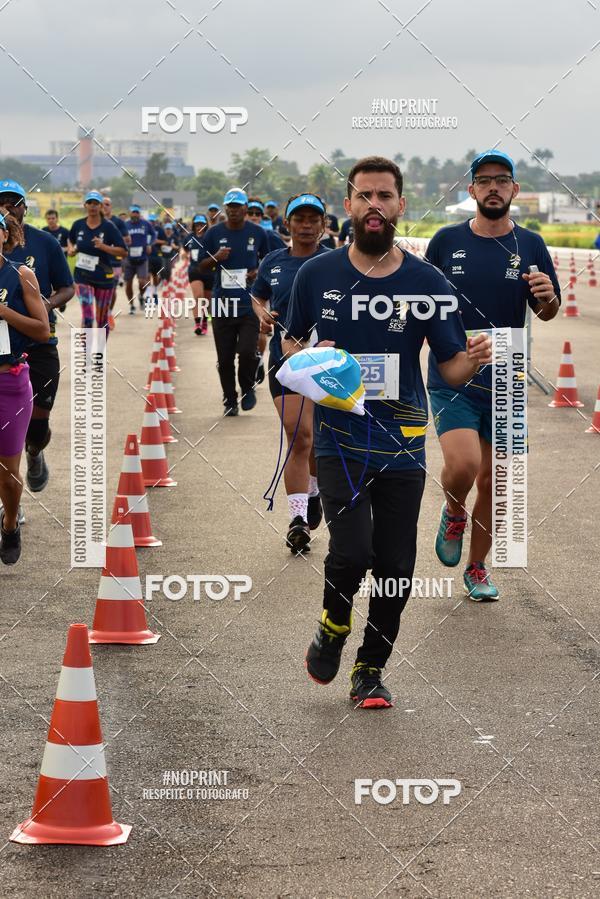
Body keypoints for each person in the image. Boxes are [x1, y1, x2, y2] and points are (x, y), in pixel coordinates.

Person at [282, 156, 492, 709]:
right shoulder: (316, 275)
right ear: (348, 205)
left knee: (397, 566)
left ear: (401, 205)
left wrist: (471, 360)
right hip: (340, 441)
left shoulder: (427, 282)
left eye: (384, 196)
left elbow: (449, 368)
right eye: (364, 195)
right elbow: (289, 343)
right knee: (352, 552)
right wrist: (311, 358)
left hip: (404, 443)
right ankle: (333, 624)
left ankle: (370, 669)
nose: (374, 205)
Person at [426, 149, 560, 601]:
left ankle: (477, 567)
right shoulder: (445, 241)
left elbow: (547, 311)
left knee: (498, 483)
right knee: (464, 465)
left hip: (507, 376)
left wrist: (547, 296)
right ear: (472, 190)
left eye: (502, 180)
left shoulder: (532, 244)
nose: (493, 187)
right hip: (453, 371)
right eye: (484, 180)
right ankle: (453, 511)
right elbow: (425, 307)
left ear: (514, 189)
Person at [252, 194, 329, 553]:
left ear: (324, 224)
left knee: (317, 440)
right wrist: (262, 315)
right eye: (300, 218)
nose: (306, 225)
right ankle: (297, 521)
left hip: (328, 362)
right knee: (299, 437)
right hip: (285, 360)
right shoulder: (273, 261)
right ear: (288, 223)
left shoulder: (336, 262)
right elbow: (258, 296)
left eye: (314, 219)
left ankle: (313, 490)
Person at [0, 179, 74, 500]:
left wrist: (45, 306)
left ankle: (34, 450)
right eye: (2, 201)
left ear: (25, 208)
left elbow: (67, 287)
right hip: (5, 353)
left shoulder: (45, 243)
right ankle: (10, 501)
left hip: (40, 344)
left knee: (38, 426)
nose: (8, 207)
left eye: (14, 202)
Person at [0, 207, 49, 562]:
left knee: (7, 473)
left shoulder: (21, 274)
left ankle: (10, 521)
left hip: (9, 383)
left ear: (5, 234)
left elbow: (42, 330)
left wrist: (5, 313)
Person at [197, 188, 269, 416]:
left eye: (237, 206)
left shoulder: (258, 233)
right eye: (230, 206)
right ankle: (230, 399)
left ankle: (247, 388)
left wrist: (257, 272)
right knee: (225, 358)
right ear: (225, 208)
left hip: (248, 304)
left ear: (245, 208)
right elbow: (201, 266)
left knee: (247, 352)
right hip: (222, 305)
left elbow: (269, 261)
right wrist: (216, 258)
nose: (233, 210)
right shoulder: (213, 233)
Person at [68, 191, 127, 332]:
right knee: (87, 316)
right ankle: (86, 346)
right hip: (82, 276)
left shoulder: (109, 227)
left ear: (100, 206)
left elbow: (123, 251)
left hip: (103, 276)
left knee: (101, 320)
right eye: (89, 203)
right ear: (85, 205)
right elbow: (70, 239)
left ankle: (100, 346)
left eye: (96, 203)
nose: (92, 206)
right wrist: (72, 249)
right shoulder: (78, 225)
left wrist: (103, 246)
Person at [247, 198, 286, 382]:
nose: (254, 216)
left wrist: (264, 272)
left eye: (258, 213)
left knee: (260, 330)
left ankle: (259, 360)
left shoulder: (270, 235)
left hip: (264, 290)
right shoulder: (235, 233)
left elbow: (286, 258)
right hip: (240, 291)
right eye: (250, 213)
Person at [102, 196, 130, 329]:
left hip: (114, 261)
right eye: (102, 204)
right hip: (97, 263)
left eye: (107, 204)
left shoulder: (118, 222)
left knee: (111, 290)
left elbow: (128, 239)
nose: (104, 206)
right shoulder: (94, 221)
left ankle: (108, 313)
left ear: (111, 206)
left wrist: (114, 241)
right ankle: (98, 316)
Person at [182, 214, 211, 336]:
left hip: (209, 272)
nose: (199, 226)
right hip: (194, 270)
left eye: (202, 224)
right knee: (198, 297)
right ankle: (197, 323)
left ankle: (204, 322)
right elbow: (184, 249)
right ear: (193, 225)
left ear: (205, 225)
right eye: (197, 224)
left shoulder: (210, 236)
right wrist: (184, 255)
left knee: (206, 301)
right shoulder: (189, 237)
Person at [123, 205, 155, 314]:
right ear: (130, 213)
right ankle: (131, 305)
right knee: (128, 284)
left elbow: (153, 234)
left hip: (142, 258)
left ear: (139, 214)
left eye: (137, 212)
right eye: (133, 212)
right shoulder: (125, 225)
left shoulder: (145, 224)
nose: (135, 214)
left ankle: (141, 296)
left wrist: (150, 244)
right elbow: (118, 236)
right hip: (129, 258)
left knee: (142, 282)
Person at [147, 213, 167, 307]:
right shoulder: (144, 229)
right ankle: (147, 296)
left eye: (153, 221)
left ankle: (155, 294)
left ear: (155, 221)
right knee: (147, 277)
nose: (151, 222)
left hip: (156, 255)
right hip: (146, 256)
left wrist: (155, 241)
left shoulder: (159, 229)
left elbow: (165, 241)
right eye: (150, 221)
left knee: (155, 277)